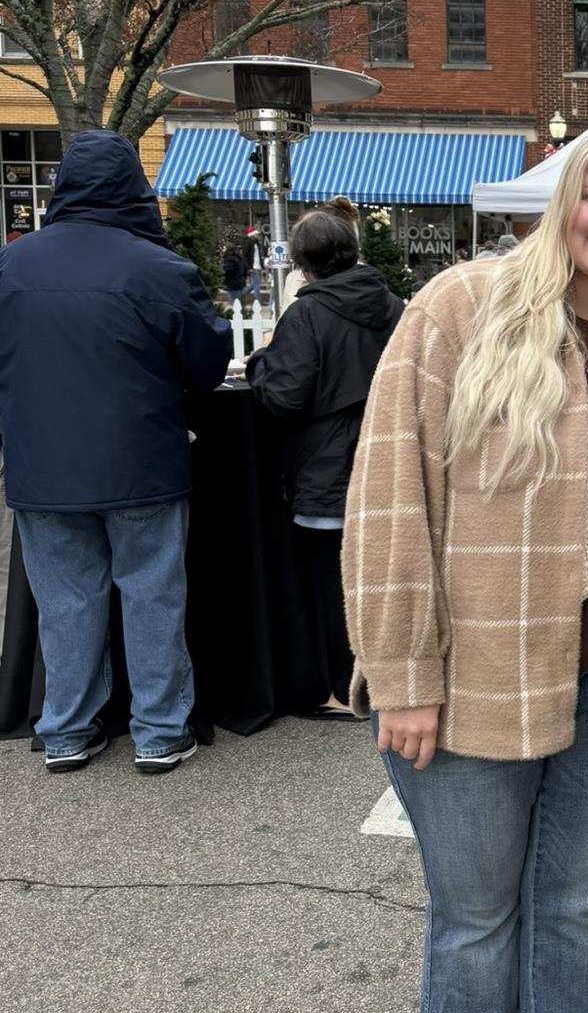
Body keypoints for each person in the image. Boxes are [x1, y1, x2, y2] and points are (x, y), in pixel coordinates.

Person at [343, 118, 588, 1013]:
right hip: (477, 677)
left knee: (576, 913)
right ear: (563, 203)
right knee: (475, 923)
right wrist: (403, 669)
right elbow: (388, 493)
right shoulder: (465, 305)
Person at [0, 131, 230, 773]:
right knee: (153, 593)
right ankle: (159, 730)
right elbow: (209, 363)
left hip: (41, 465)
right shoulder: (155, 266)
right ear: (135, 187)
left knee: (65, 601)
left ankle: (67, 728)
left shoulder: (12, 264)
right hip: (141, 462)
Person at [245, 209, 403, 717]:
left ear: (301, 263)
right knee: (382, 580)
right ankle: (388, 678)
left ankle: (342, 687)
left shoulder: (307, 315)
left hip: (327, 469)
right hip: (389, 462)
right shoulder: (394, 307)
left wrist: (260, 366)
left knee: (330, 586)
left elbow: (286, 397)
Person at [221, 240, 248, 309]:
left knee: (234, 304)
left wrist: (224, 280)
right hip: (240, 283)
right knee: (240, 304)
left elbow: (228, 272)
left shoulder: (229, 259)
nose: (222, 249)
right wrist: (243, 278)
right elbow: (245, 269)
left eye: (223, 248)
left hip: (232, 284)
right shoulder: (240, 258)